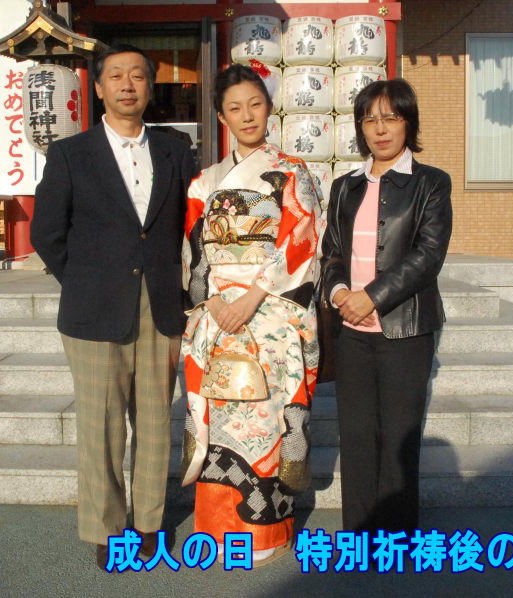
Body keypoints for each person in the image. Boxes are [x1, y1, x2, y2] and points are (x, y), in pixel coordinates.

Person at [30, 43, 196, 568]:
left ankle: (148, 524)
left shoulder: (175, 151)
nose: (128, 84)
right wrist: (85, 281)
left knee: (155, 423)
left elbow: (186, 228)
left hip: (160, 306)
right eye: (116, 76)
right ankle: (107, 528)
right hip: (94, 310)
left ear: (150, 86)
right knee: (100, 427)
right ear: (98, 87)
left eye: (138, 76)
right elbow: (46, 233)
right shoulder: (70, 154)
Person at [180, 64, 323, 566]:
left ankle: (263, 533)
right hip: (217, 312)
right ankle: (219, 531)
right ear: (222, 117)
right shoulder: (205, 182)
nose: (247, 116)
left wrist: (252, 297)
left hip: (271, 312)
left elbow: (302, 240)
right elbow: (194, 251)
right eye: (235, 108)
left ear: (269, 108)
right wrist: (215, 302)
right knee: (221, 413)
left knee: (264, 417)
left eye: (255, 105)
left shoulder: (293, 171)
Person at [321, 78, 452, 537]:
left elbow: (428, 255)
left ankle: (395, 538)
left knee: (398, 437)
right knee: (356, 436)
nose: (380, 129)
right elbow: (332, 253)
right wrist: (340, 294)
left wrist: (371, 296)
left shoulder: (431, 183)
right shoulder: (345, 186)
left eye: (390, 118)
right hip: (351, 332)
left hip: (405, 331)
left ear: (408, 123)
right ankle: (358, 533)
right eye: (369, 119)